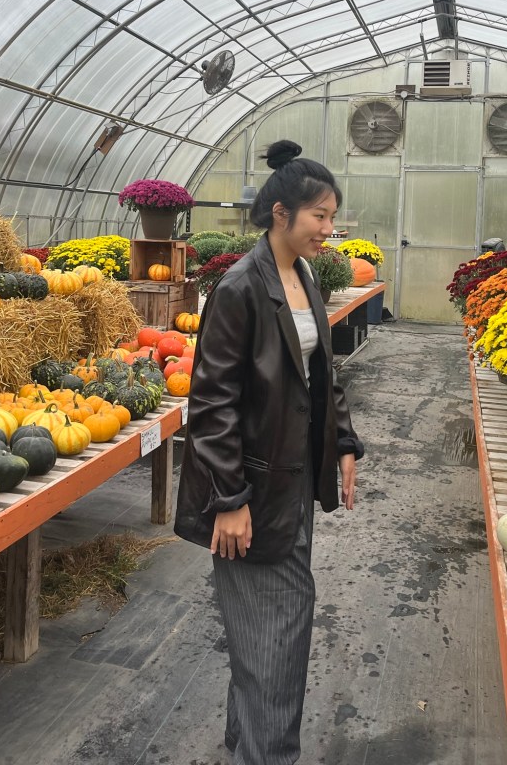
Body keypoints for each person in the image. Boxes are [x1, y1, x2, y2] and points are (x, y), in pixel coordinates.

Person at [174, 139, 364, 765]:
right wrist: (230, 500)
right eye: (320, 216)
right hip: (251, 493)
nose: (329, 229)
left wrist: (342, 442)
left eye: (332, 216)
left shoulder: (303, 275)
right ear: (280, 214)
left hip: (291, 483)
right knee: (276, 640)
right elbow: (211, 406)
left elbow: (320, 372)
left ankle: (246, 744)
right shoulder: (240, 288)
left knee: (268, 635)